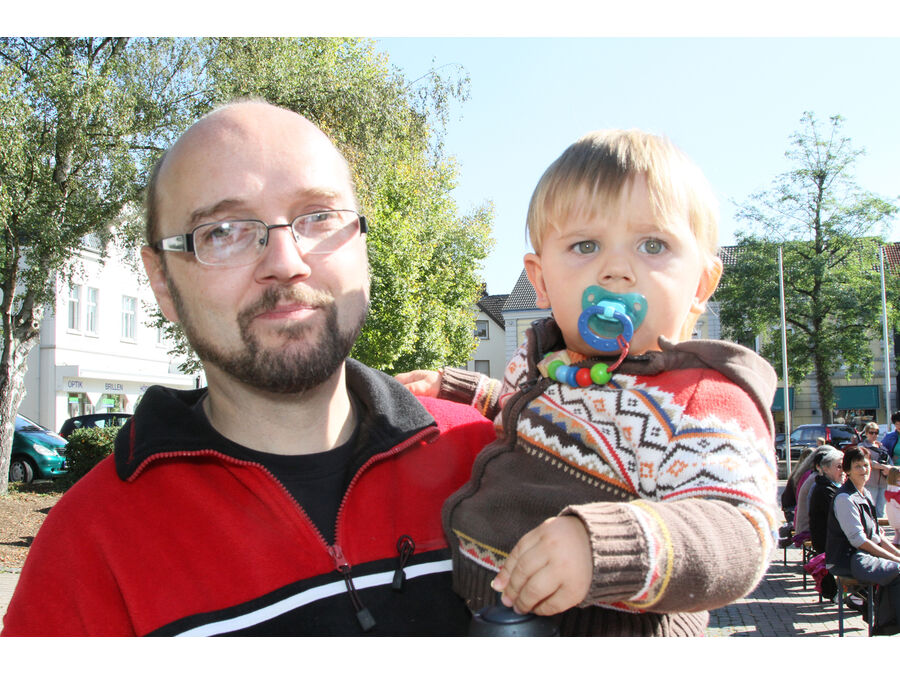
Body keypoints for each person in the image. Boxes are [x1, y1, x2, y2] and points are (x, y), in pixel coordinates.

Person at [1, 100, 497, 636]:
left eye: (319, 216)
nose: (285, 262)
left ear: (362, 246)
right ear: (162, 280)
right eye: (222, 231)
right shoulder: (85, 552)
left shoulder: (492, 461)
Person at [399, 129, 778, 636]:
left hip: (610, 627)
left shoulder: (699, 399)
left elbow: (739, 532)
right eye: (585, 245)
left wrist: (609, 547)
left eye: (653, 245)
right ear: (540, 280)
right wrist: (463, 390)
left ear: (701, 285)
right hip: (488, 609)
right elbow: (526, 410)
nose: (615, 270)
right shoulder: (546, 359)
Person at [825, 447, 900, 629]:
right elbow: (859, 541)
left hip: (862, 556)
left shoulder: (865, 494)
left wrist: (898, 555)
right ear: (847, 470)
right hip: (846, 559)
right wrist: (896, 560)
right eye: (857, 466)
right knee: (897, 571)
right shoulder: (845, 498)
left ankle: (883, 620)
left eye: (866, 465)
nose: (864, 470)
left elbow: (876, 537)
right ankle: (886, 625)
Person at [808, 447, 845, 555]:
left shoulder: (834, 486)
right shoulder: (824, 490)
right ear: (825, 469)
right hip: (828, 544)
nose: (843, 471)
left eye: (844, 466)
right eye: (839, 467)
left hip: (835, 541)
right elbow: (840, 517)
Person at [859, 421, 892, 518]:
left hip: (883, 482)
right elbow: (865, 462)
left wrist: (889, 468)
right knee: (870, 510)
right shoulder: (862, 447)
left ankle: (879, 527)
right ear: (866, 433)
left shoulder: (882, 447)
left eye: (876, 432)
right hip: (869, 482)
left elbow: (890, 462)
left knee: (881, 511)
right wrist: (883, 467)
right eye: (871, 432)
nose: (874, 435)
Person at [886, 467, 900, 546]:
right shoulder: (897, 493)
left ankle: (895, 543)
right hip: (898, 518)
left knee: (897, 533)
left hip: (893, 519)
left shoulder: (889, 491)